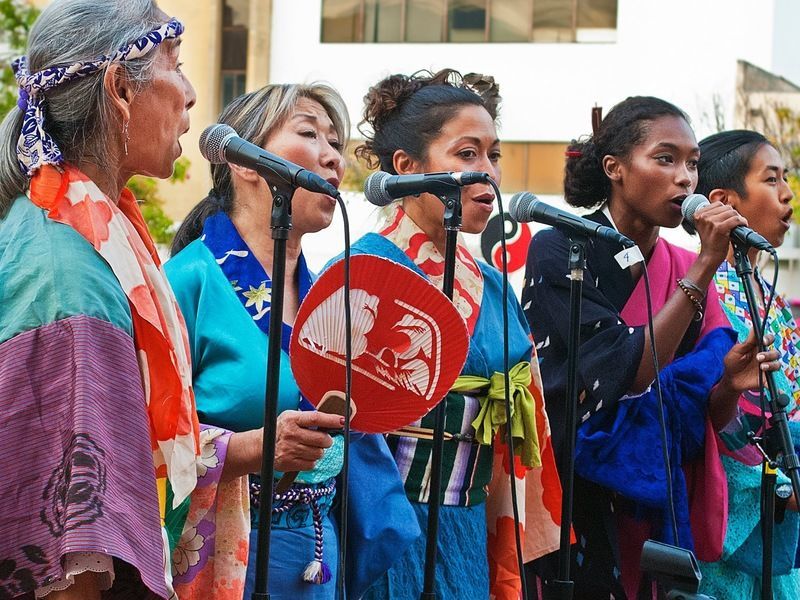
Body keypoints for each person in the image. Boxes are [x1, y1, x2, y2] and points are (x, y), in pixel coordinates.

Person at [0, 2, 334, 598]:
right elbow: (67, 531)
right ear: (119, 89)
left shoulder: (92, 236)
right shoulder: (67, 271)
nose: (191, 94)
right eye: (175, 67)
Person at [521, 97, 781, 599]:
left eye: (692, 164)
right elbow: (628, 372)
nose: (685, 178)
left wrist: (730, 383)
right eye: (666, 159)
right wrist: (704, 267)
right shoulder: (560, 249)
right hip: (576, 495)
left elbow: (706, 416)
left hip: (658, 502)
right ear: (614, 168)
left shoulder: (683, 262)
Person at [166, 83, 417, 599]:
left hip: (318, 550)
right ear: (245, 163)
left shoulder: (330, 296)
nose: (333, 158)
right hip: (220, 550)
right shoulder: (186, 282)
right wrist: (257, 447)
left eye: (336, 143)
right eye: (309, 134)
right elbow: (142, 436)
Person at [347, 68, 563, 600]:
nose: (488, 171)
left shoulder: (495, 286)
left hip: (468, 519)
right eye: (468, 154)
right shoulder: (359, 272)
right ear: (406, 167)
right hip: (379, 520)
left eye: (494, 155)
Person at [692, 129, 800, 599]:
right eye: (771, 179)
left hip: (782, 500)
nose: (787, 193)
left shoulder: (769, 294)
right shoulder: (702, 289)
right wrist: (776, 484)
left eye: (786, 178)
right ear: (723, 201)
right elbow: (708, 408)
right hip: (738, 501)